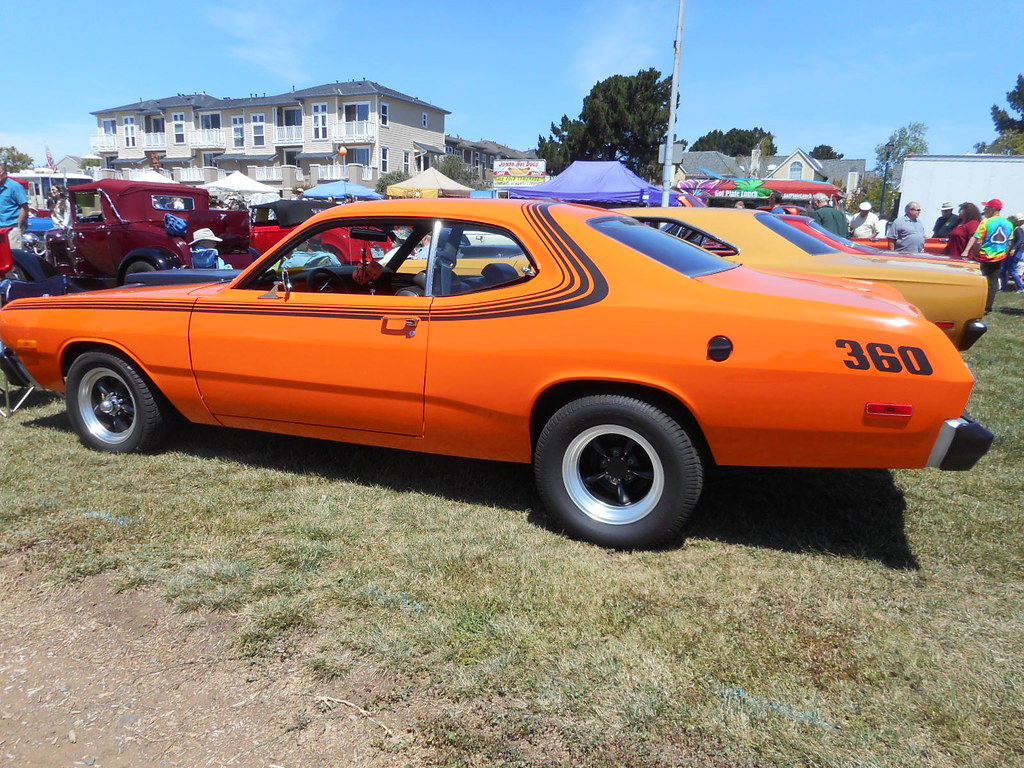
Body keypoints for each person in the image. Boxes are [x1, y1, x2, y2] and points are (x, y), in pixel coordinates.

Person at [964, 198, 1013, 312]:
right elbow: (1009, 242)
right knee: (994, 281)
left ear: (992, 209)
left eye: (987, 208)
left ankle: (975, 303)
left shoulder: (986, 222)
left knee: (978, 281)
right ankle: (988, 306)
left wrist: (974, 254)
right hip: (999, 257)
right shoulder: (1008, 224)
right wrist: (1004, 253)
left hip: (984, 256)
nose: (985, 210)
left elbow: (978, 241)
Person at [0, 163, 29, 250]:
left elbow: (24, 208)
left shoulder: (15, 187)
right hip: (1, 228)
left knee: (13, 256)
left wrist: (17, 226)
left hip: (12, 228)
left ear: (5, 174)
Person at [1000, 212, 1024, 292]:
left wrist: (1014, 248)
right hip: (1012, 252)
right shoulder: (1015, 229)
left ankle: (1021, 288)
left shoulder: (1018, 230)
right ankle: (1004, 287)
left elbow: (1020, 239)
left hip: (1016, 252)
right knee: (1004, 269)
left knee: (1012, 270)